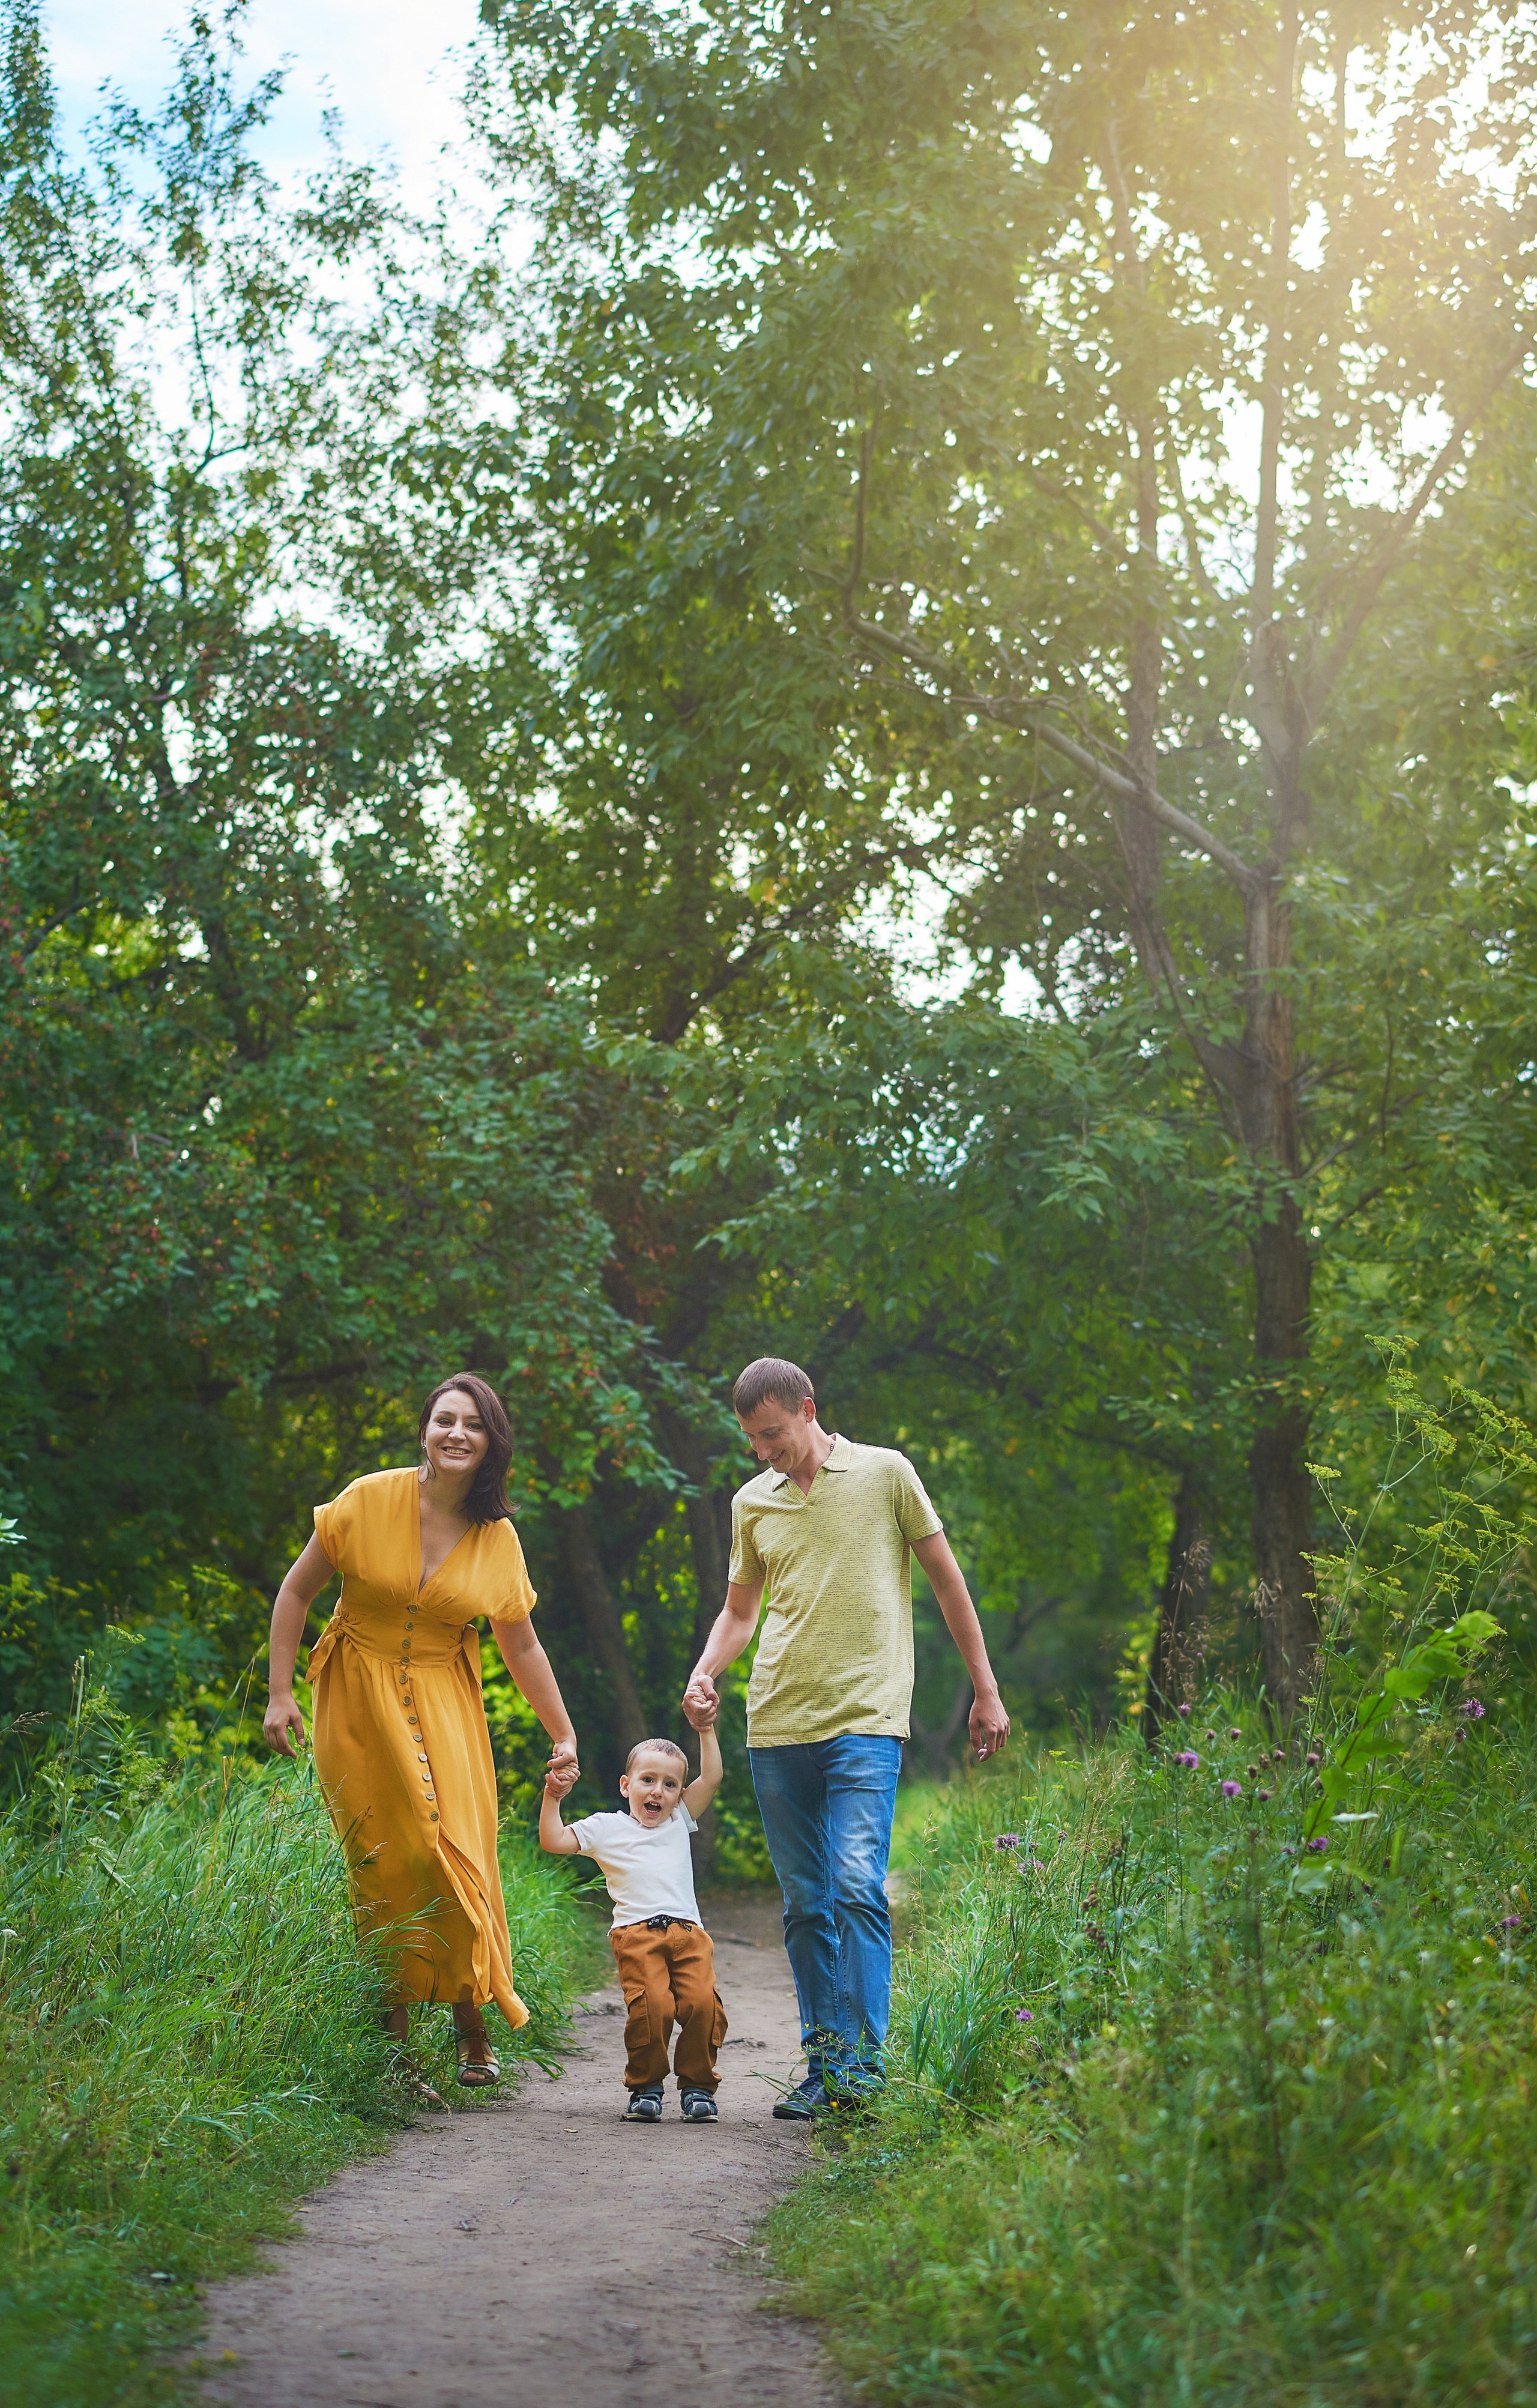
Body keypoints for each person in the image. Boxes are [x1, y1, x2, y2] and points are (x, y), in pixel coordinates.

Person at [683, 1355, 1010, 2119]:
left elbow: (945, 1578)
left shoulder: (886, 1472)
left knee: (856, 1885)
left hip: (866, 1716)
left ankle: (863, 2068)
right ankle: (823, 2063)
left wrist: (985, 1689)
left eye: (772, 1434)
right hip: (777, 1721)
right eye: (752, 1441)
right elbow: (739, 1612)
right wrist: (707, 1670)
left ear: (806, 1407)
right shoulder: (751, 1502)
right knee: (803, 1903)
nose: (764, 1451)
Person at [263, 1373, 579, 2099]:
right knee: (386, 1859)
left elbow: (521, 1644)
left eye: (473, 1423)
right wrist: (281, 1693)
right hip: (355, 1695)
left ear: (492, 1442)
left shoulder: (497, 1537)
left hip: (446, 1700)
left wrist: (561, 1731)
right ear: (425, 1430)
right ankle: (394, 2051)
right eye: (445, 1419)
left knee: (456, 1851)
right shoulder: (367, 1498)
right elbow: (296, 1591)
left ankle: (473, 2025)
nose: (456, 1433)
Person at [540, 1719, 726, 2123]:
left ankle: (697, 2087)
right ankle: (646, 2087)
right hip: (637, 1935)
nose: (658, 1791)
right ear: (627, 1785)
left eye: (670, 1785)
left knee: (702, 2005)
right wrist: (553, 1796)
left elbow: (712, 1777)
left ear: (678, 1796)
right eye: (648, 1780)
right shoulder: (606, 1827)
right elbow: (553, 1840)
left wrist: (706, 1728)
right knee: (653, 2008)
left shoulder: (679, 1820)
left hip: (690, 1935)